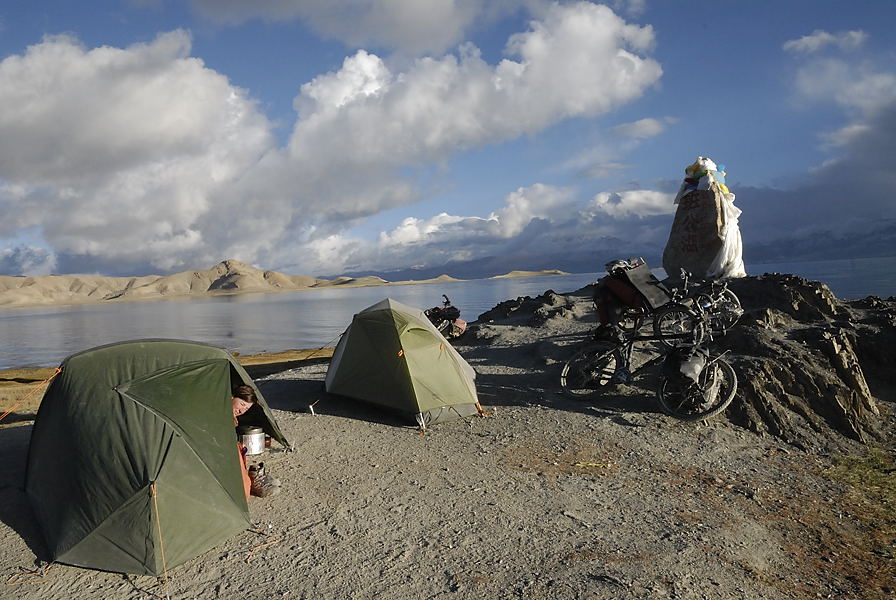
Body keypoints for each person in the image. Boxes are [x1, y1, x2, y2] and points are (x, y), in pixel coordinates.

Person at [232, 385, 281, 498]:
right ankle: (250, 480)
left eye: (246, 408)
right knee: (243, 492)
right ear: (231, 397)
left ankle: (251, 476)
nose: (242, 410)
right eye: (242, 404)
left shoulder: (232, 418)